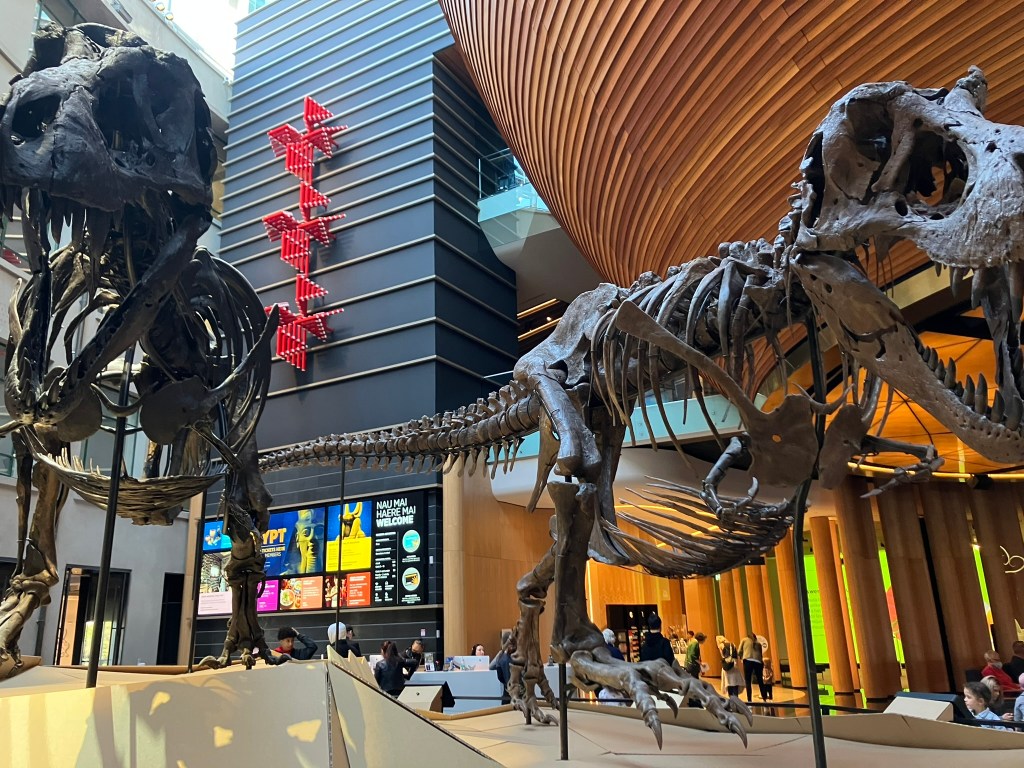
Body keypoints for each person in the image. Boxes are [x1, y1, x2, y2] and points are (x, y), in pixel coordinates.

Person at [737, 631, 764, 703]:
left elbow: (739, 651)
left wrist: (741, 657)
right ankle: (764, 698)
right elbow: (761, 655)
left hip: (748, 660)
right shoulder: (758, 643)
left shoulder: (744, 640)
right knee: (760, 680)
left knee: (748, 680)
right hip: (758, 661)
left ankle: (749, 700)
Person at [490, 630, 513, 705]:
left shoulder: (500, 657)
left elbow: (499, 676)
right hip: (520, 692)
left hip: (506, 691)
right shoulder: (518, 655)